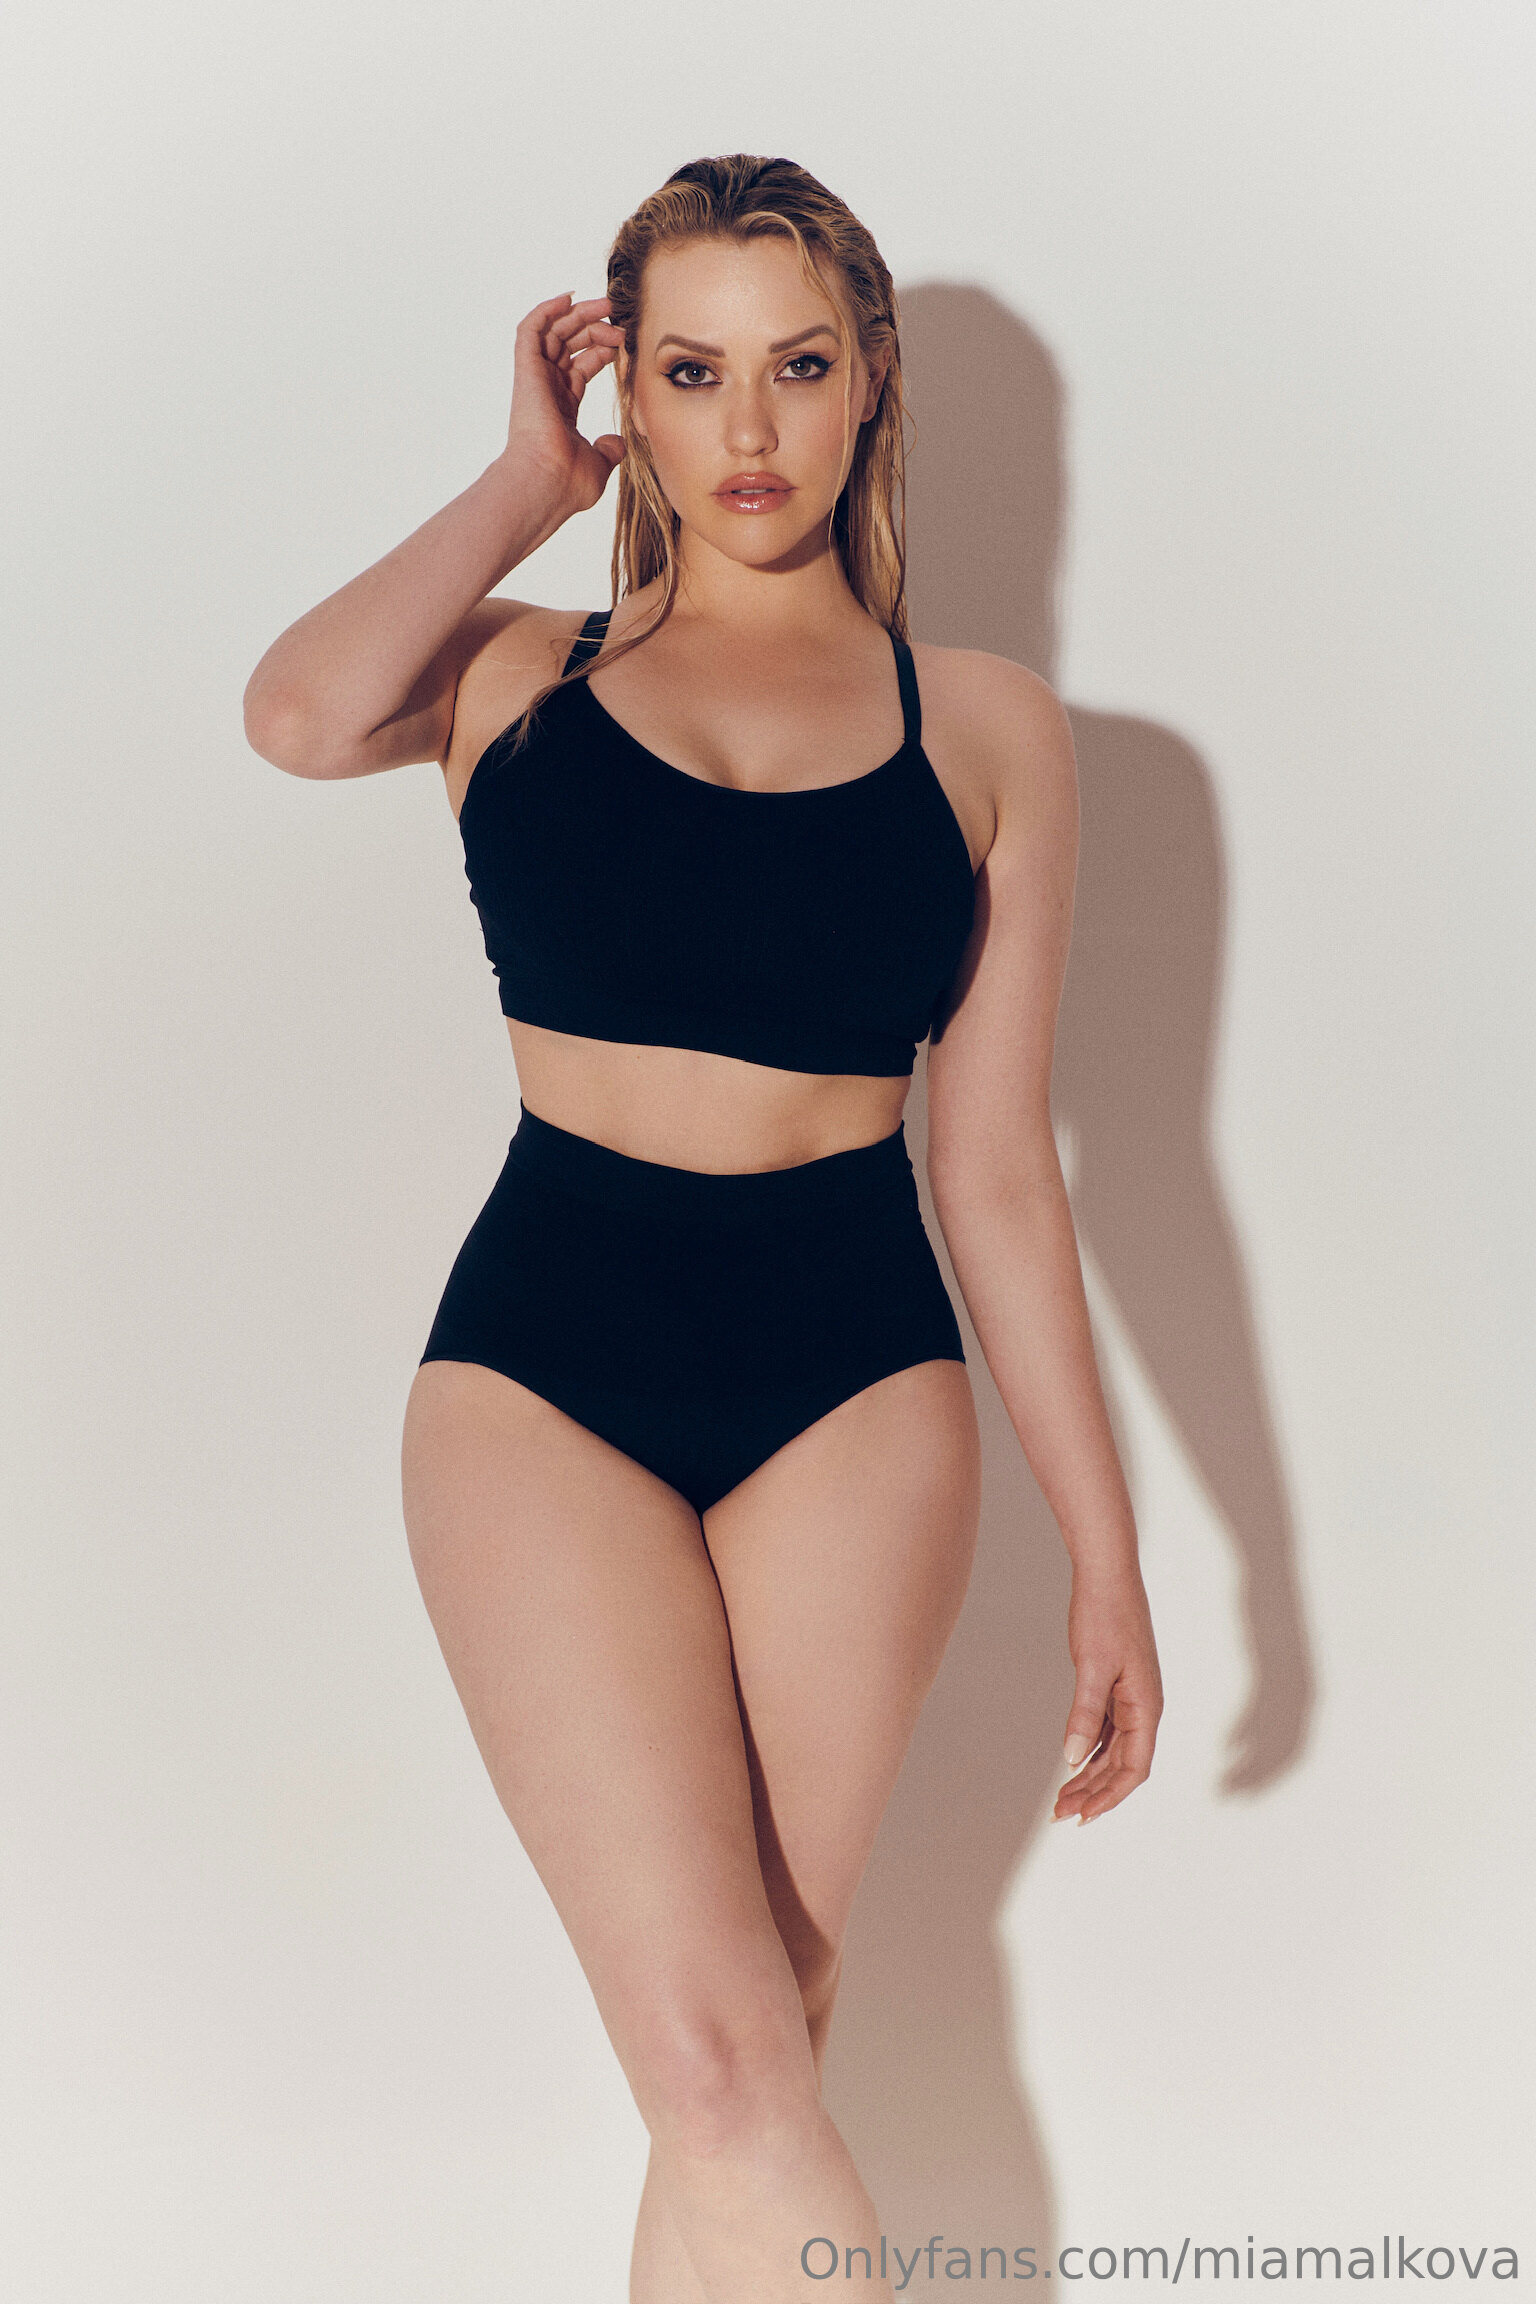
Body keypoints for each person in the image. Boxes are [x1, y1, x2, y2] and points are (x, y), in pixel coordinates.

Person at [243, 153, 1162, 2304]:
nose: (748, 428)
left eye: (798, 368)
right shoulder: (513, 672)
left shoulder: (989, 727)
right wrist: (518, 492)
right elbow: (297, 716)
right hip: (544, 1369)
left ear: (871, 386)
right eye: (689, 371)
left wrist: (1109, 1554)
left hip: (856, 1380)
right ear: (625, 396)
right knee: (727, 2067)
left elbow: (998, 1170)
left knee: (758, 2057)